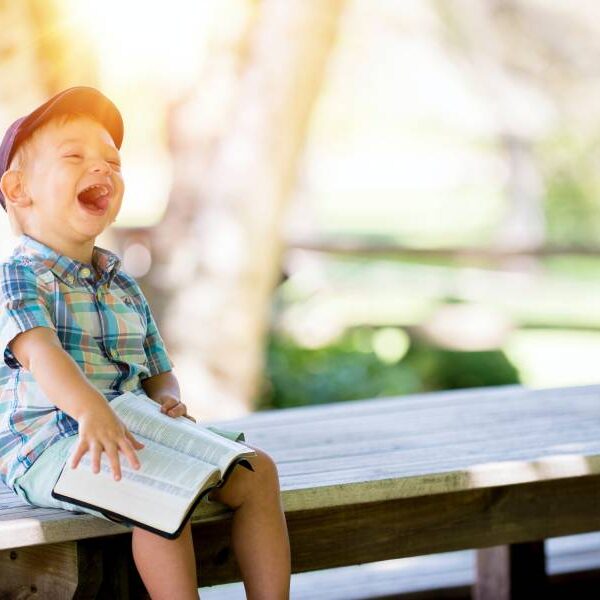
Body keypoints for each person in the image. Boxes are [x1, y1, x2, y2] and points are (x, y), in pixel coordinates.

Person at [0, 87, 291, 599]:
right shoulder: (18, 276)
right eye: (75, 155)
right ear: (19, 189)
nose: (103, 168)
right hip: (48, 445)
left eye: (113, 160)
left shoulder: (121, 283)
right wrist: (92, 410)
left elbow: (158, 369)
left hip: (134, 430)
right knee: (159, 493)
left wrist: (164, 398)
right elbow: (41, 352)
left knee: (257, 472)